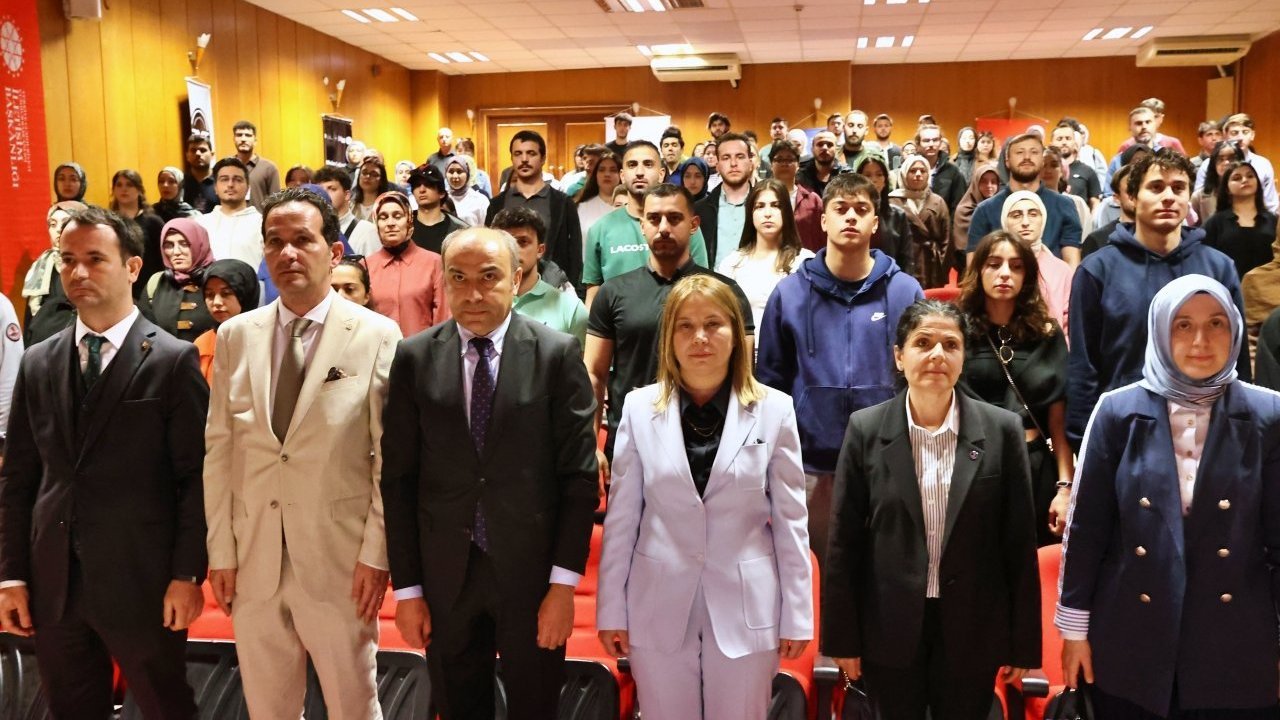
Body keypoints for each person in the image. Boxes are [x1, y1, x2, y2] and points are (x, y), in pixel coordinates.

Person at [380, 226, 599, 720]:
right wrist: (408, 590)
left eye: (489, 277)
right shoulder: (414, 356)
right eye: (458, 278)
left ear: (516, 279)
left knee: (535, 708)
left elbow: (579, 479)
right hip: (446, 577)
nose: (473, 293)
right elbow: (399, 481)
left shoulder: (556, 353)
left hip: (532, 576)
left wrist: (563, 586)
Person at [0, 205, 209, 718]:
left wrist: (187, 573)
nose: (78, 272)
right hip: (55, 581)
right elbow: (20, 479)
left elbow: (195, 478)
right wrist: (11, 576)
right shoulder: (38, 360)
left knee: (167, 708)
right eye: (67, 260)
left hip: (143, 578)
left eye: (95, 259)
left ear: (133, 267)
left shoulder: (172, 359)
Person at [204, 187, 402, 718]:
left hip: (339, 561)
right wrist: (221, 551)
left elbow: (389, 460)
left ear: (333, 252)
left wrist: (376, 554)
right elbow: (220, 451)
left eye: (302, 240)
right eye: (275, 242)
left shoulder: (377, 335)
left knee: (353, 706)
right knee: (268, 710)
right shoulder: (235, 336)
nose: (287, 253)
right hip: (254, 558)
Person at [1058, 274, 1280, 720]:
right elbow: (1086, 533)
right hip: (1132, 635)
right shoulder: (1117, 411)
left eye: (1216, 323)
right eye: (1183, 325)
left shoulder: (1269, 413)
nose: (1201, 340)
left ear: (1236, 329)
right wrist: (1075, 632)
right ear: (1159, 329)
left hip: (1237, 639)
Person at [596, 274, 812, 720]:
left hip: (746, 606)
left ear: (736, 334)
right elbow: (622, 520)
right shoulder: (638, 408)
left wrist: (798, 615)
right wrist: (611, 608)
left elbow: (791, 522)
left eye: (713, 324)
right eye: (686, 326)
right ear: (669, 338)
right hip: (657, 602)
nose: (700, 337)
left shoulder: (775, 410)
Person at [822, 298, 1040, 720]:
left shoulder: (1002, 430)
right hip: (889, 628)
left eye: (951, 345)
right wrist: (843, 640)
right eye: (923, 343)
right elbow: (844, 544)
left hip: (973, 627)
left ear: (963, 358)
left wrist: (1023, 643)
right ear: (899, 357)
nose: (938, 354)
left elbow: (1018, 544)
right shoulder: (866, 429)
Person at [755, 173, 924, 569]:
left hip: (887, 463)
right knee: (818, 577)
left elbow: (919, 382)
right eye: (841, 209)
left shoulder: (905, 292)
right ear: (824, 220)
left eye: (861, 209)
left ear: (875, 223)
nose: (851, 217)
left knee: (886, 575)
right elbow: (770, 385)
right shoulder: (789, 294)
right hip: (810, 466)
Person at [1067, 150, 1248, 451]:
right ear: (1132, 197)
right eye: (1156, 187)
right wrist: (1084, 440)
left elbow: (1236, 360)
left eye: (1178, 188)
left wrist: (1240, 427)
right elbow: (1083, 365)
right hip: (1124, 432)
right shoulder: (1097, 270)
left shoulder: (1219, 268)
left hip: (1207, 432)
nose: (1168, 197)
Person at [585, 184, 752, 484]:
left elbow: (744, 374)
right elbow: (594, 373)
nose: (663, 228)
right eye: (654, 218)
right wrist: (590, 443)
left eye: (674, 218)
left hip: (710, 444)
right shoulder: (612, 293)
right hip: (632, 441)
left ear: (693, 224)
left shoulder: (725, 292)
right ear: (642, 225)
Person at [958, 232, 1073, 545]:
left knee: (1035, 559)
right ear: (979, 270)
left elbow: (1058, 419)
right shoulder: (958, 332)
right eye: (994, 264)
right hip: (974, 461)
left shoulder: (1046, 333)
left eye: (1016, 266)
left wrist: (1065, 487)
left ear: (1028, 275)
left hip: (1033, 463)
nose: (1005, 273)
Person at [583, 143, 710, 306]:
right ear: (622, 175)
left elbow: (701, 282)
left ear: (661, 173)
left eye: (648, 164)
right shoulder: (600, 228)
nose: (639, 172)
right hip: (618, 320)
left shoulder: (683, 226)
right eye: (632, 165)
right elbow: (593, 292)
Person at [716, 179, 815, 350]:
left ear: (787, 212)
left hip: (792, 355)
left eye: (776, 206)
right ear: (751, 213)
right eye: (760, 206)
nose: (767, 213)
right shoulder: (732, 264)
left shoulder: (805, 262)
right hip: (744, 356)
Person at [486, 130, 584, 293]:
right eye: (518, 154)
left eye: (531, 153)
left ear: (543, 158)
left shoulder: (562, 203)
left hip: (553, 290)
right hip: (507, 291)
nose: (524, 159)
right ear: (512, 158)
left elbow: (574, 253)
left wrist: (573, 290)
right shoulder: (497, 204)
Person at [968, 133, 1083, 268]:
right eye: (1019, 152)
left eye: (1034, 152)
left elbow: (1072, 264)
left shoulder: (1064, 205)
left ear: (1042, 160)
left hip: (1053, 280)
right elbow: (973, 266)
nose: (1027, 157)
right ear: (1007, 161)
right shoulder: (984, 210)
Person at [496, 207, 588, 348]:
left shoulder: (571, 309)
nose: (513, 250)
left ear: (540, 250)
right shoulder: (478, 304)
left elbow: (583, 361)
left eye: (522, 242)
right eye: (506, 243)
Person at [366, 191, 449, 338]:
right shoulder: (365, 267)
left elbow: (443, 320)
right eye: (383, 217)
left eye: (398, 216)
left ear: (409, 220)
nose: (390, 223)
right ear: (376, 223)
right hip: (378, 350)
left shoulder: (434, 263)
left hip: (424, 350)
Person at [1002, 191, 1074, 333]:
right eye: (1016, 215)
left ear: (1043, 219)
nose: (1025, 222)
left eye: (1033, 214)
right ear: (1005, 221)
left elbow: (1069, 323)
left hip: (1053, 344)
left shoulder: (1061, 271)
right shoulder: (997, 268)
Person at [138, 218, 217, 342]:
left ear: (199, 244)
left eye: (184, 244)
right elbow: (144, 332)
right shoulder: (157, 283)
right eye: (169, 245)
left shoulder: (218, 279)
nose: (176, 252)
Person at [1202, 161, 1277, 280]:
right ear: (1227, 188)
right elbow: (1205, 260)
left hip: (1268, 287)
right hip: (1228, 287)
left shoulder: (1273, 221)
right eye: (1237, 178)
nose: (1245, 180)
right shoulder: (1215, 223)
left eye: (1250, 176)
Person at [23, 201, 85, 345]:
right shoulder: (41, 266)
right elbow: (30, 319)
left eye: (65, 223)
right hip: (42, 345)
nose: (58, 230)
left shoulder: (89, 267)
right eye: (53, 224)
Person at [891, 155, 952, 289]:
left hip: (931, 263)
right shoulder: (893, 201)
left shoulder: (938, 201)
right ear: (904, 174)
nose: (918, 174)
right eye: (913, 171)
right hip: (904, 261)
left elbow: (946, 239)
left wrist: (942, 267)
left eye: (923, 171)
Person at [696, 132, 755, 268]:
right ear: (717, 165)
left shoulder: (765, 207)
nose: (733, 163)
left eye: (740, 157)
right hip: (711, 280)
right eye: (726, 158)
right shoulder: (699, 210)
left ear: (750, 163)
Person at [194, 258, 259, 382]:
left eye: (226, 293)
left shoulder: (267, 340)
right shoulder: (202, 344)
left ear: (246, 295)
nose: (216, 302)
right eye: (209, 295)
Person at [197, 157, 264, 269]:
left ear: (248, 188)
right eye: (224, 179)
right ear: (215, 187)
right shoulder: (201, 224)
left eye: (237, 179)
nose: (230, 184)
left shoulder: (261, 223)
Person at [109, 169, 167, 289]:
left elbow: (163, 259)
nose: (124, 189)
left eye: (129, 185)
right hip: (118, 285)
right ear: (113, 190)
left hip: (149, 287)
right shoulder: (108, 222)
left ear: (139, 190)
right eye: (119, 185)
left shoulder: (153, 222)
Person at [769, 141, 824, 253]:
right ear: (771, 165)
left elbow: (822, 237)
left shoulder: (813, 200)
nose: (785, 163)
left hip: (806, 260)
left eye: (790, 159)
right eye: (779, 159)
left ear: (798, 165)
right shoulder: (761, 198)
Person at [313, 165, 381, 256]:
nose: (324, 194)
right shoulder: (313, 230)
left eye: (331, 189)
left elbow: (374, 264)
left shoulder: (366, 231)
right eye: (320, 190)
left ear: (347, 195)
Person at [409, 164, 467, 254]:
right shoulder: (404, 225)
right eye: (417, 185)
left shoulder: (459, 229)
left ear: (441, 193)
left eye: (428, 185)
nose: (422, 190)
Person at [953, 162, 1000, 256]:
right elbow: (962, 247)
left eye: (993, 182)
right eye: (984, 181)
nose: (989, 186)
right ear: (976, 183)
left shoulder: (1002, 207)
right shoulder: (965, 210)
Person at [232, 120, 280, 211]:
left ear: (255, 141)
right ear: (234, 139)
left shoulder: (269, 168)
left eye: (248, 135)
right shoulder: (226, 167)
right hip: (232, 218)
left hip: (260, 218)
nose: (243, 139)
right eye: (239, 135)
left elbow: (276, 203)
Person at [1191, 141, 1241, 226]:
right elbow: (1191, 229)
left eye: (1231, 159)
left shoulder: (1251, 193)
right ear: (1213, 164)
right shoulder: (1199, 197)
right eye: (1220, 159)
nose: (1226, 163)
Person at [575, 150, 622, 238]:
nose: (607, 174)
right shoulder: (582, 207)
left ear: (621, 174)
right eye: (602, 170)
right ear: (595, 175)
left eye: (613, 170)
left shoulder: (630, 206)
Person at [445, 156, 489, 228]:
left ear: (467, 174)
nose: (455, 176)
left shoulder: (480, 200)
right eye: (451, 172)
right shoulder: (441, 200)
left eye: (459, 171)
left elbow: (487, 229)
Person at [182, 135, 218, 213]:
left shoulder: (221, 181)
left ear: (212, 155)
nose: (198, 154)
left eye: (203, 150)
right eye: (193, 150)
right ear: (187, 156)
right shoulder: (180, 183)